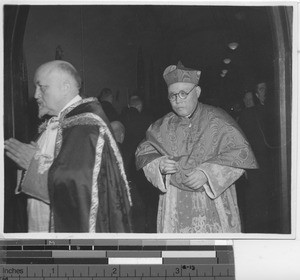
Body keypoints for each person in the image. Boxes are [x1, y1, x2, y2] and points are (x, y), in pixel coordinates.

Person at [4, 60, 132, 233]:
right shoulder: (55, 123)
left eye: (42, 87)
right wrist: (26, 164)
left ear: (65, 87)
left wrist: (32, 166)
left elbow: (80, 189)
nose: (35, 95)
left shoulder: (87, 127)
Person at [135, 62, 258, 233]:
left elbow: (240, 155)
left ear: (197, 92)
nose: (178, 100)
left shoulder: (219, 119)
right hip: (175, 201)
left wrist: (207, 174)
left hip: (213, 201)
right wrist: (159, 165)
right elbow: (144, 152)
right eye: (172, 96)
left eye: (183, 94)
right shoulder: (160, 126)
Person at [238, 81, 275, 232]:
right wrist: (245, 167)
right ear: (256, 94)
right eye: (261, 88)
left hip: (274, 167)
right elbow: (242, 143)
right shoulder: (248, 114)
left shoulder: (277, 110)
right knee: (256, 208)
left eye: (266, 88)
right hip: (256, 168)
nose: (264, 91)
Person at [120, 95, 158, 233]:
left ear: (129, 105)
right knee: (143, 205)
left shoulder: (120, 118)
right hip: (138, 166)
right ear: (140, 107)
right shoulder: (147, 121)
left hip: (122, 166)